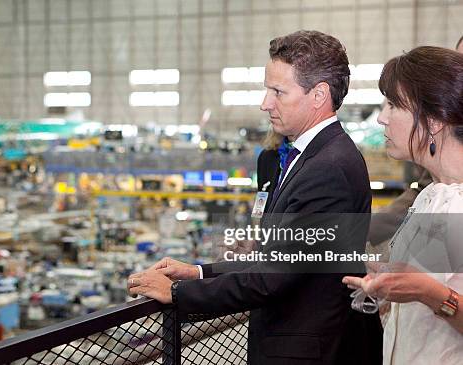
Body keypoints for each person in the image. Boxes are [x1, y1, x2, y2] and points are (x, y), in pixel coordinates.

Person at [129, 30, 382, 364]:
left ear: (319, 95)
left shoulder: (327, 168)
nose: (265, 103)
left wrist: (177, 293)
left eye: (278, 91)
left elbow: (271, 278)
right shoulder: (313, 157)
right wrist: (199, 273)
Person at [343, 46, 463, 364]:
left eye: (394, 104)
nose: (382, 117)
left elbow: (431, 290)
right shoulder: (430, 196)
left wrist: (427, 292)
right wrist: (390, 278)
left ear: (435, 120)